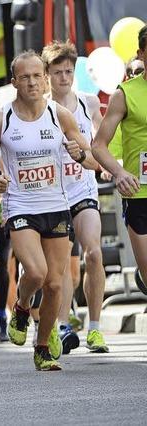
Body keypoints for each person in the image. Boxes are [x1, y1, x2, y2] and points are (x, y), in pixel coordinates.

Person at [0, 51, 95, 371]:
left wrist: (77, 152)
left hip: (56, 205)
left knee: (55, 284)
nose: (32, 82)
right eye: (24, 77)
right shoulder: (0, 119)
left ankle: (42, 347)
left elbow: (84, 153)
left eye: (36, 76)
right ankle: (20, 306)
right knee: (37, 272)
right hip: (20, 205)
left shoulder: (60, 115)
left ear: (45, 79)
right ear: (14, 82)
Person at [42, 40, 108, 354]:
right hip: (53, 194)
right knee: (61, 266)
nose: (64, 78)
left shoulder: (88, 103)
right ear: (46, 75)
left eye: (68, 71)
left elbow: (100, 144)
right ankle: (65, 323)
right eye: (57, 73)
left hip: (83, 188)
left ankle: (95, 328)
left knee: (93, 254)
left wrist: (108, 165)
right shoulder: (39, 109)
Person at [92, 25, 147, 297]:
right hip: (139, 192)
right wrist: (119, 172)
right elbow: (98, 145)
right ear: (141, 53)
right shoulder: (123, 94)